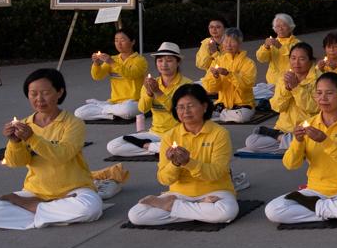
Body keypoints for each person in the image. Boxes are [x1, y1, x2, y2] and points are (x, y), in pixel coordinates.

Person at [0, 69, 104, 229]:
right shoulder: (25, 124)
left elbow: (62, 155)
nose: (39, 99)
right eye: (33, 94)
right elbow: (15, 162)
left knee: (90, 209)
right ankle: (48, 211)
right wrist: (15, 142)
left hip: (73, 190)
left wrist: (32, 138)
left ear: (60, 92)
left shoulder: (73, 123)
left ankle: (33, 209)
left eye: (45, 93)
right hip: (35, 191)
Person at [264, 72, 337, 224]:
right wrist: (297, 141)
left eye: (329, 93)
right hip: (316, 190)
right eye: (319, 93)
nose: (323, 98)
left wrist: (325, 141)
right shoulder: (308, 124)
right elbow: (290, 164)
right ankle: (334, 212)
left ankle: (316, 209)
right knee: (273, 210)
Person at [127, 84, 238, 226]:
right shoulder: (170, 136)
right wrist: (175, 164)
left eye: (191, 106)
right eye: (180, 107)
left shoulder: (220, 134)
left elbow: (216, 173)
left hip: (215, 191)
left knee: (227, 211)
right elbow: (164, 179)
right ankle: (198, 209)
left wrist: (188, 163)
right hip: (179, 194)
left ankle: (172, 207)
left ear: (204, 107)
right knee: (137, 215)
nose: (185, 111)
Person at [107, 42, 193, 157]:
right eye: (160, 60)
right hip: (155, 134)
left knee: (190, 145)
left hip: (180, 134)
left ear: (178, 62)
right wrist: (148, 92)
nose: (164, 64)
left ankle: (151, 147)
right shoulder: (152, 82)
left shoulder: (187, 84)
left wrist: (158, 92)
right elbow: (142, 109)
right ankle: (162, 150)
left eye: (169, 60)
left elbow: (178, 111)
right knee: (114, 146)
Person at [242, 42, 318, 153]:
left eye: (302, 59)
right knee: (251, 142)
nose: (296, 62)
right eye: (293, 58)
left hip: (307, 129)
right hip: (283, 129)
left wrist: (296, 88)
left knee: (314, 142)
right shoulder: (284, 78)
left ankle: (283, 140)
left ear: (310, 61)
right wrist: (287, 90)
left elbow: (313, 108)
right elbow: (277, 107)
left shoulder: (318, 80)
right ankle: (288, 141)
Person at [75, 29, 148, 120]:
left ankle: (103, 108)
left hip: (135, 102)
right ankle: (110, 113)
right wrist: (96, 64)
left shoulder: (140, 60)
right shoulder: (113, 59)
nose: (119, 43)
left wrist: (111, 62)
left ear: (132, 42)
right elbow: (97, 76)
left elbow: (131, 74)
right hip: (115, 103)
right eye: (116, 40)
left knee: (127, 110)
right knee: (79, 113)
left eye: (122, 40)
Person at [203, 27, 257, 123]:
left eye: (232, 42)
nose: (228, 45)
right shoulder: (218, 61)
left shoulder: (248, 63)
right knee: (199, 113)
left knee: (241, 118)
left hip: (243, 105)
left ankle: (220, 115)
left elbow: (246, 85)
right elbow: (210, 89)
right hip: (223, 104)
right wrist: (215, 77)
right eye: (225, 41)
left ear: (239, 43)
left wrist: (228, 74)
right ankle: (224, 114)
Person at [254, 13, 299, 100]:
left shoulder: (297, 43)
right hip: (272, 83)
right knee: (250, 92)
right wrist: (265, 47)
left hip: (288, 84)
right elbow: (261, 58)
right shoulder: (272, 42)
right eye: (278, 26)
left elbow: (294, 55)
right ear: (275, 29)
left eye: (284, 25)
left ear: (290, 27)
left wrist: (280, 47)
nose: (280, 28)